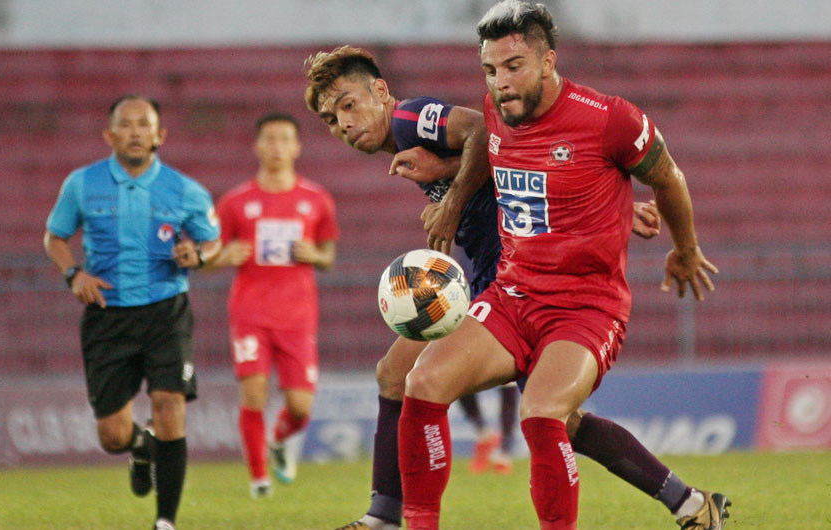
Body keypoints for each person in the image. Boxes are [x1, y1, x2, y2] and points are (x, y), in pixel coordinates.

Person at [304, 45, 725, 530]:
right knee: (553, 421)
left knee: (408, 377)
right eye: (332, 120)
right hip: (495, 276)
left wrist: (451, 202)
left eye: (349, 105)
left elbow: (485, 130)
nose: (344, 125)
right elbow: (515, 171)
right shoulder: (405, 143)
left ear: (380, 91)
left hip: (512, 280)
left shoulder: (409, 118)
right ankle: (689, 502)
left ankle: (385, 515)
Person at [43, 95, 220, 530]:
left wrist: (195, 254)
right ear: (110, 135)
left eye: (146, 124)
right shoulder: (82, 185)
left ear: (160, 135)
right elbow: (55, 238)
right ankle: (141, 445)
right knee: (112, 436)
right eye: (127, 124)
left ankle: (165, 521)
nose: (137, 131)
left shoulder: (186, 190)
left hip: (166, 311)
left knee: (169, 403)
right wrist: (74, 275)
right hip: (108, 315)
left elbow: (213, 243)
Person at [203, 112, 339, 498]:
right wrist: (223, 257)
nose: (277, 147)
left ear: (296, 147)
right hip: (250, 313)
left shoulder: (315, 200)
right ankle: (259, 479)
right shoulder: (235, 201)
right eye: (270, 139)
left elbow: (328, 254)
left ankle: (279, 441)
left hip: (298, 314)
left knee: (299, 407)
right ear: (257, 146)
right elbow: (206, 255)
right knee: (254, 395)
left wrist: (313, 253)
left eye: (284, 139)